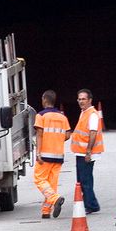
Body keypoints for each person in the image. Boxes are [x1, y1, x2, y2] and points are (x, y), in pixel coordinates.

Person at [33, 90, 71, 219]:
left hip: (45, 154)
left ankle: (55, 199)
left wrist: (38, 152)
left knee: (39, 180)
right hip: (58, 155)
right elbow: (67, 135)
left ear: (44, 99)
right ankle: (46, 211)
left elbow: (39, 134)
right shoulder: (62, 117)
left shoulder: (41, 116)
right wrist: (56, 139)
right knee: (51, 183)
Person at [71, 88, 104, 213]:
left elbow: (93, 133)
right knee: (83, 180)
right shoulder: (84, 112)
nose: (81, 101)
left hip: (86, 153)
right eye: (79, 99)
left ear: (90, 100)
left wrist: (88, 152)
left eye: (83, 99)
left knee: (85, 181)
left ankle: (90, 205)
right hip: (80, 152)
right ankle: (92, 204)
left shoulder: (92, 115)